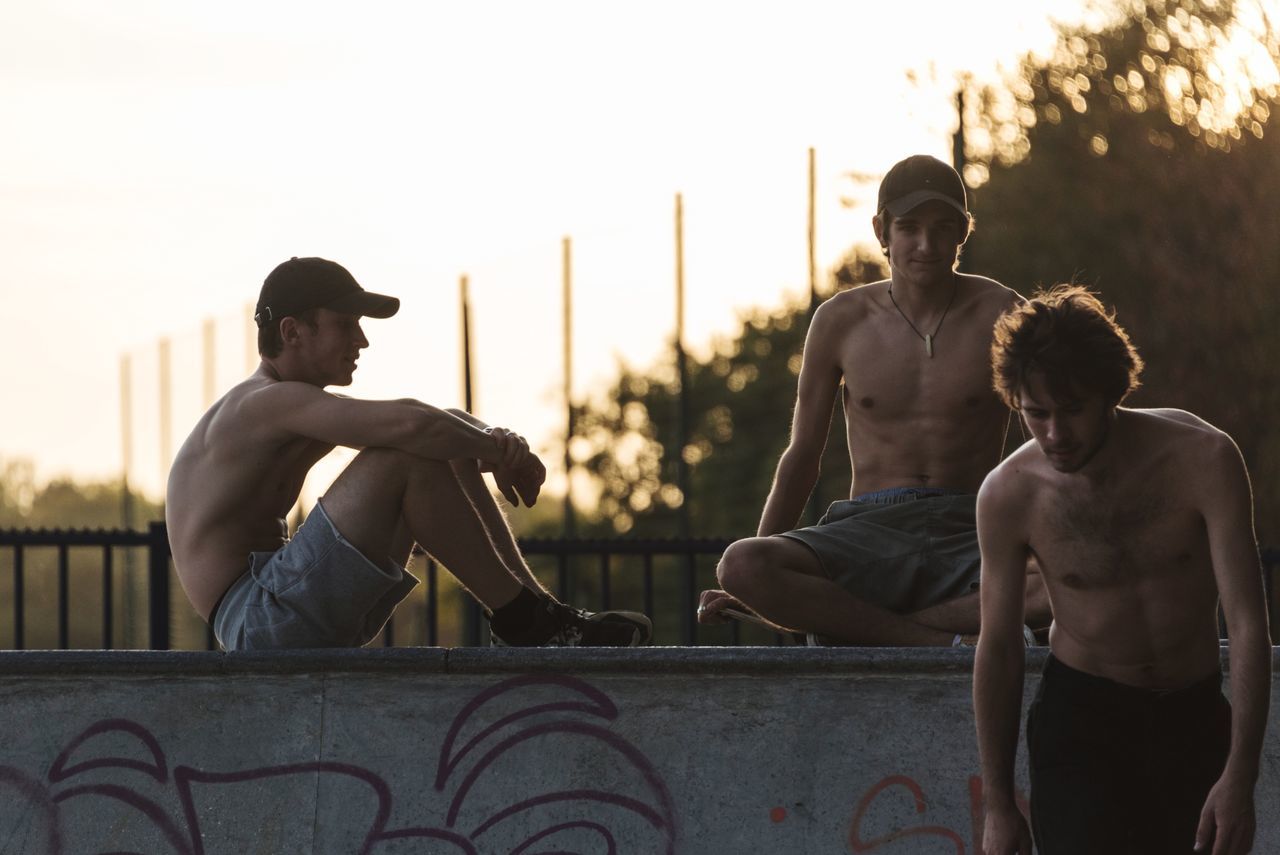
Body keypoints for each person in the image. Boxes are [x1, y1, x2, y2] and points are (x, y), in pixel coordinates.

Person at [166, 256, 651, 650]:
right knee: (407, 452)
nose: (361, 340)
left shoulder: (292, 405)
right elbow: (411, 424)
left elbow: (440, 427)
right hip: (259, 620)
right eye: (345, 324)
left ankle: (542, 619)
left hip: (281, 609)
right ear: (292, 332)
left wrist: (499, 444)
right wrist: (501, 452)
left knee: (435, 446)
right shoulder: (262, 404)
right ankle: (532, 624)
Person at [697, 154, 1048, 644]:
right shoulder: (839, 320)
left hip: (973, 525)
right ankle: (947, 639)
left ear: (963, 233)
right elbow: (802, 456)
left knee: (1073, 571)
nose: (926, 245)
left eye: (943, 228)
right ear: (881, 230)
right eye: (909, 227)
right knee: (741, 565)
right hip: (868, 530)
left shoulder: (1005, 312)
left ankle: (885, 629)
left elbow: (1051, 434)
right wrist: (760, 562)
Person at [974, 286, 1270, 854]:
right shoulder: (1008, 495)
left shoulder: (1204, 460)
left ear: (1110, 392)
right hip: (1082, 720)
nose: (1055, 435)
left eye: (1073, 410)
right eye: (1036, 414)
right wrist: (998, 803)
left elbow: (1249, 625)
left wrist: (1240, 775)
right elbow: (1000, 647)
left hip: (1193, 715)